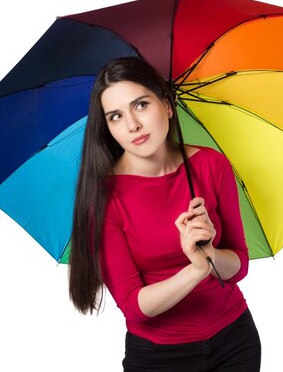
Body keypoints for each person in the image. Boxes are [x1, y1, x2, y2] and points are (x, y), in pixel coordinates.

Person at [68, 56, 261, 371]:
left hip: (235, 340)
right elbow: (134, 307)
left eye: (141, 105)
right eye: (115, 116)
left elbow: (238, 266)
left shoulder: (211, 165)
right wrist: (197, 269)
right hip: (159, 357)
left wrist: (210, 252)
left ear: (167, 105)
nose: (132, 125)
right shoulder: (103, 197)